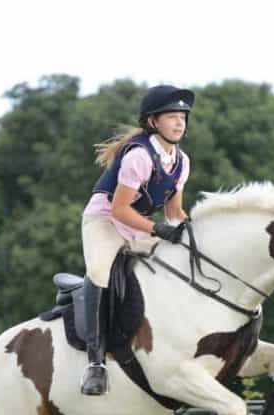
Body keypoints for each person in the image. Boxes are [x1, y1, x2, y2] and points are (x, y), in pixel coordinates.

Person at [79, 85, 194, 396]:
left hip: (139, 226)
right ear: (153, 122)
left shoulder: (181, 161)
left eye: (183, 116)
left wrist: (192, 233)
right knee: (101, 272)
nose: (180, 122)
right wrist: (157, 230)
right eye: (172, 116)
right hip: (105, 221)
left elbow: (174, 210)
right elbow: (119, 209)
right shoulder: (139, 157)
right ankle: (95, 362)